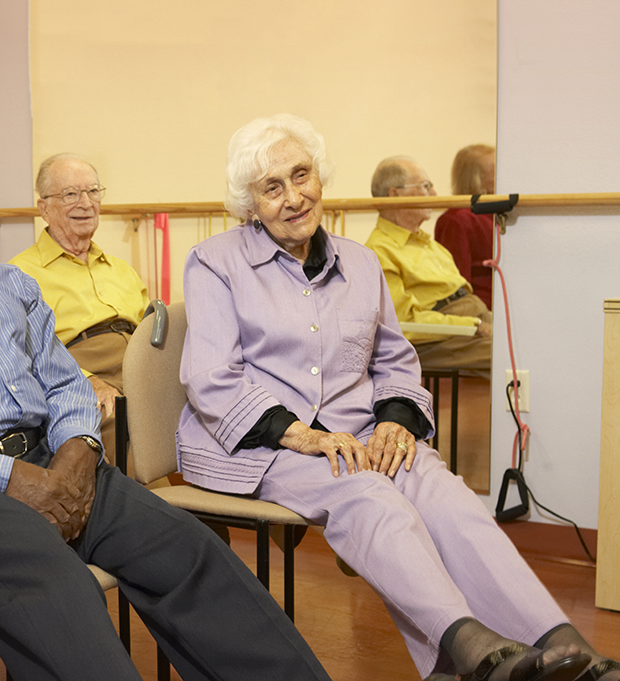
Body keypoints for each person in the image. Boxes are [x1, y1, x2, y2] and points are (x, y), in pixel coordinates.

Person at [0, 96, 331, 681]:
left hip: (52, 465)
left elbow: (65, 379)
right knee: (57, 586)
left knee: (188, 550)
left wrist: (78, 450)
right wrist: (8, 477)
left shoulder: (3, 278)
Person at [177, 113, 615, 681]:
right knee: (370, 498)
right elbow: (211, 378)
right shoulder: (215, 263)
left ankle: (561, 644)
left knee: (446, 494)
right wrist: (306, 436)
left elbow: (395, 361)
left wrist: (397, 422)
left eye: (301, 175)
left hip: (357, 434)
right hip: (266, 445)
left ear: (321, 177)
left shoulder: (360, 264)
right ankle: (471, 647)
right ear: (250, 205)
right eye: (271, 187)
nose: (293, 197)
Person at [8, 153, 147, 465]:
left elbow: (151, 329)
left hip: (138, 366)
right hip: (76, 369)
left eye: (93, 191)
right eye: (70, 194)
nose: (85, 203)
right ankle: (148, 508)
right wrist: (86, 380)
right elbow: (23, 352)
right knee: (116, 419)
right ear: (44, 207)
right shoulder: (19, 273)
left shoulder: (122, 268)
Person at [365, 156, 492, 378]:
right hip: (439, 338)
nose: (434, 195)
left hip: (471, 323)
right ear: (395, 195)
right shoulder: (379, 251)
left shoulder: (427, 242)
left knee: (535, 337)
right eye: (426, 187)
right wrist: (473, 324)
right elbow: (405, 324)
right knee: (519, 355)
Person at [435, 144, 497, 309]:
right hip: (485, 311)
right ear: (476, 176)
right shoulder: (456, 220)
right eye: (495, 168)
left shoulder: (498, 214)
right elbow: (457, 284)